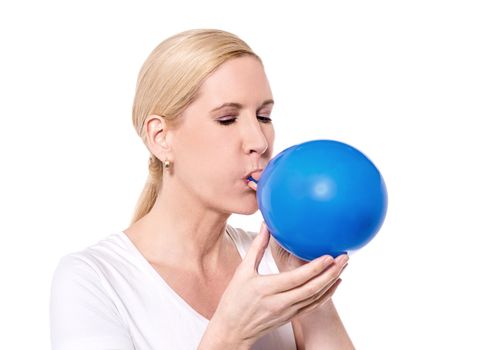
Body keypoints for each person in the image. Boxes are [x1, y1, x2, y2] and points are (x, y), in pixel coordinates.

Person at [49, 28, 356, 350]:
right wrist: (230, 334)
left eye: (264, 116)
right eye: (227, 119)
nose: (259, 141)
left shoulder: (275, 263)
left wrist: (312, 296)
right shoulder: (93, 279)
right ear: (161, 137)